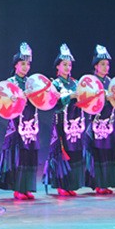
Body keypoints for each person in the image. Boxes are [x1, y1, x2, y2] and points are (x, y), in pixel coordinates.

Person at [0, 42, 40, 200]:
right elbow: (3, 104)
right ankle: (18, 189)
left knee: (30, 154)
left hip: (31, 122)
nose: (26, 67)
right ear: (16, 65)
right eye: (23, 64)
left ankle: (27, 188)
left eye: (28, 64)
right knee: (19, 155)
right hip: (16, 124)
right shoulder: (10, 83)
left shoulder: (32, 82)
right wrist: (19, 97)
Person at [43, 44, 85, 197]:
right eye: (64, 64)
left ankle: (71, 184)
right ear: (58, 67)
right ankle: (61, 185)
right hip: (61, 123)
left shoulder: (76, 83)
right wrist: (69, 96)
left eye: (69, 65)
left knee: (75, 151)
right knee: (62, 152)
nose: (68, 67)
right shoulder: (55, 84)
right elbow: (54, 103)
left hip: (76, 122)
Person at [83, 45, 115, 195]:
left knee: (108, 151)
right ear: (96, 66)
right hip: (95, 123)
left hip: (110, 122)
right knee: (98, 152)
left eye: (107, 64)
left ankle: (107, 183)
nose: (106, 67)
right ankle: (98, 183)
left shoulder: (112, 83)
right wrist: (104, 97)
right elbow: (87, 100)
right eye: (102, 64)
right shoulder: (90, 82)